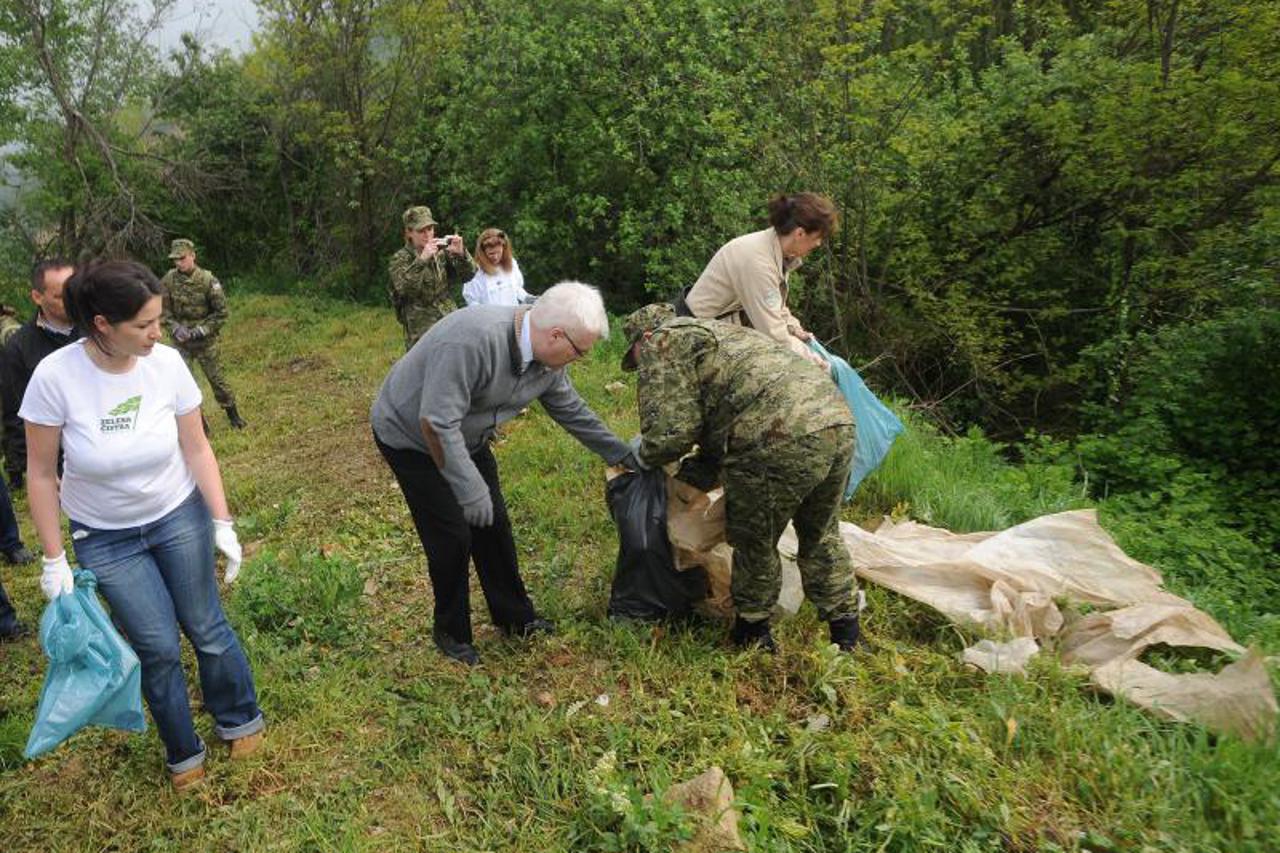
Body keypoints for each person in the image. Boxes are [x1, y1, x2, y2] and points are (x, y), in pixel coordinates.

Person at [23, 260, 264, 790]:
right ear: (104, 324)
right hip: (105, 537)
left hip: (176, 512)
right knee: (155, 647)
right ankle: (183, 752)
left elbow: (197, 446)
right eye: (145, 325)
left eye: (159, 320)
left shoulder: (168, 365)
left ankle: (239, 716)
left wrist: (221, 520)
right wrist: (53, 556)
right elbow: (40, 474)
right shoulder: (55, 377)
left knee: (206, 625)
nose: (159, 333)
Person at [371, 281, 638, 665]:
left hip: (467, 436)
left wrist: (622, 454)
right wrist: (469, 489)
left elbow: (571, 410)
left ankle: (514, 616)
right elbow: (436, 422)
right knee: (452, 535)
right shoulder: (471, 341)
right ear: (556, 334)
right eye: (579, 351)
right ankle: (451, 633)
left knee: (493, 526)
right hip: (411, 434)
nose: (579, 359)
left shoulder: (548, 361)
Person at [620, 303, 861, 653]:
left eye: (636, 357)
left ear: (645, 337)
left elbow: (673, 433)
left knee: (754, 540)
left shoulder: (663, 340)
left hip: (777, 433)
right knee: (821, 533)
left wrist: (637, 460)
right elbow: (723, 416)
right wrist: (696, 474)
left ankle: (753, 635)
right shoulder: (722, 336)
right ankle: (847, 635)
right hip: (837, 421)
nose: (641, 365)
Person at [680, 192, 838, 368]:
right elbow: (774, 334)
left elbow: (775, 306)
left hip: (717, 334)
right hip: (693, 342)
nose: (817, 244)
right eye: (817, 238)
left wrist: (795, 328)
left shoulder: (775, 250)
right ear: (800, 233)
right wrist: (816, 363)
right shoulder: (757, 261)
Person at [1, 259, 82, 489]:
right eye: (59, 296)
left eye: (73, 292)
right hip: (57, 461)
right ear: (37, 297)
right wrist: (28, 468)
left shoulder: (99, 330)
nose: (71, 301)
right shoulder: (19, 348)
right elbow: (17, 413)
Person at [159, 238, 247, 429]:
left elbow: (221, 313)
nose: (178, 263)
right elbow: (163, 312)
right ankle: (199, 425)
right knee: (185, 385)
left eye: (182, 258)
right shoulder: (168, 281)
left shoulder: (207, 280)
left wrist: (202, 330)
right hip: (181, 343)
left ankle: (234, 416)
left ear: (192, 255)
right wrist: (174, 327)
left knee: (217, 380)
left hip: (206, 342)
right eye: (175, 259)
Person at [388, 205, 474, 350]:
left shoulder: (440, 252)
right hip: (421, 329)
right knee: (426, 369)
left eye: (430, 229)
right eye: (421, 231)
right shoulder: (400, 259)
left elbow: (468, 275)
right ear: (409, 232)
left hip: (448, 319)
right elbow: (405, 289)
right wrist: (422, 260)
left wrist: (461, 255)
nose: (427, 234)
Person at [462, 228, 534, 307]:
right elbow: (471, 301)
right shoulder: (476, 272)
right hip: (490, 317)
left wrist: (528, 298)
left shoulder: (512, 264)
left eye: (498, 252)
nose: (495, 257)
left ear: (504, 249)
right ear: (483, 252)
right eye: (491, 253)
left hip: (513, 316)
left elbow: (517, 289)